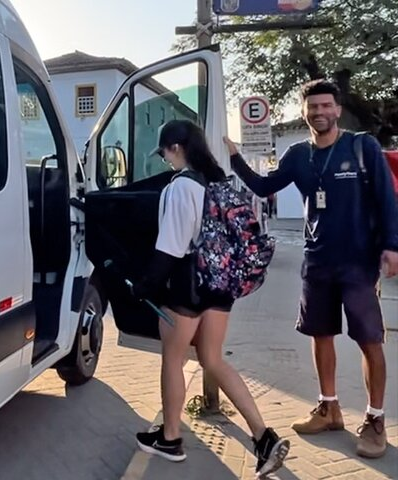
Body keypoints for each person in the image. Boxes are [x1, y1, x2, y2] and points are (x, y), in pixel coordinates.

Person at [225, 79, 398, 459]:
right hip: (317, 260)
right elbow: (264, 184)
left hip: (358, 260)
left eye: (326, 106)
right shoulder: (298, 156)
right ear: (304, 112)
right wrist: (234, 156)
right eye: (312, 107)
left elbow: (386, 197)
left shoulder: (361, 146)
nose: (319, 113)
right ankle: (329, 407)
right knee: (320, 334)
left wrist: (391, 246)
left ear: (337, 110)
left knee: (370, 340)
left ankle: (374, 419)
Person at [132, 120, 290, 477]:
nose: (166, 160)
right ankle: (264, 437)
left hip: (188, 285)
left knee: (173, 359)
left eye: (165, 153)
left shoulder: (181, 187)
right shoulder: (220, 182)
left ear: (175, 147)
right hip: (221, 284)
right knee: (212, 359)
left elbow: (171, 246)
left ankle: (170, 438)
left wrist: (146, 284)